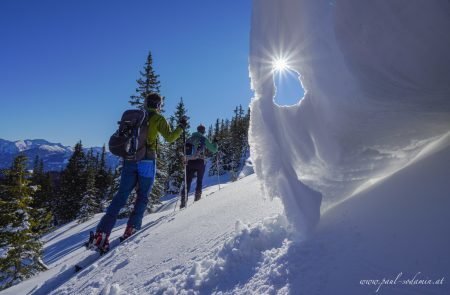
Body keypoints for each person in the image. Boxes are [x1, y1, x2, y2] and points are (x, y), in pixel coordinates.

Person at [93, 93, 187, 252]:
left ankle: (102, 233)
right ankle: (132, 228)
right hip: (147, 162)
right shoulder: (158, 119)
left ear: (146, 103)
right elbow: (170, 138)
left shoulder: (136, 118)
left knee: (120, 197)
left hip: (130, 161)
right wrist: (181, 127)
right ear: (158, 105)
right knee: (142, 196)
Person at [180, 124, 218, 208]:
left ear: (197, 130)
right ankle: (197, 199)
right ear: (203, 131)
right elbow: (214, 150)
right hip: (200, 162)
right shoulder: (203, 139)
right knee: (199, 180)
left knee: (187, 182)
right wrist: (215, 143)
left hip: (189, 162)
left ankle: (183, 201)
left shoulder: (189, 139)